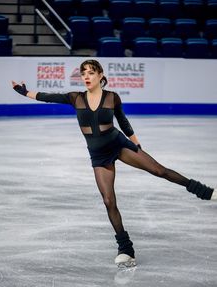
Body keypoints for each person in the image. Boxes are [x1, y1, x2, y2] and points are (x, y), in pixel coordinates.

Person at [12, 59, 217, 268]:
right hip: (99, 156)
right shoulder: (75, 98)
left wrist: (137, 145)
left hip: (119, 145)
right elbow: (46, 97)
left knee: (159, 170)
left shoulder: (112, 97)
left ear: (100, 75)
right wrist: (23, 91)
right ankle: (126, 249)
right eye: (83, 73)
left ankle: (204, 191)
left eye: (91, 72)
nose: (86, 77)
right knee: (109, 201)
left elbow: (123, 121)